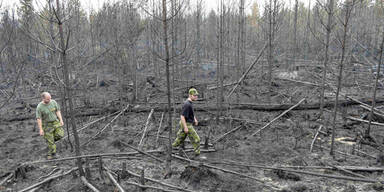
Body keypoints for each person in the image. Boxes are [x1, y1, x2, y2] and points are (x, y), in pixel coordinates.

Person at [172, 88, 205, 159]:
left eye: (196, 95)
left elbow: (191, 113)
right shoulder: (187, 104)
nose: (196, 97)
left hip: (187, 123)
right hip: (186, 124)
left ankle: (170, 149)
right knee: (197, 139)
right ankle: (197, 155)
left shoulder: (190, 103)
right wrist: (185, 127)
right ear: (190, 95)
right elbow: (182, 116)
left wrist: (195, 119)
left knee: (179, 139)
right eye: (194, 95)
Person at [36, 92, 64, 160]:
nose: (49, 100)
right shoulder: (40, 107)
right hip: (47, 125)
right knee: (50, 141)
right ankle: (53, 154)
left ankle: (50, 142)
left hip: (55, 122)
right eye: (47, 99)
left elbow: (57, 111)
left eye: (50, 98)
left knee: (60, 134)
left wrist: (61, 119)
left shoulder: (53, 102)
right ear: (43, 99)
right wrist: (41, 129)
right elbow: (39, 118)